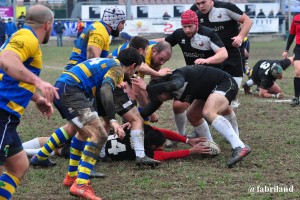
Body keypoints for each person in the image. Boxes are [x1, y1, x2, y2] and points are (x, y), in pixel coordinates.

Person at [56, 48, 142, 199]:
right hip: (71, 91)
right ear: (133, 65)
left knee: (82, 133)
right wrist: (114, 120)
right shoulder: (118, 70)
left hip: (64, 87)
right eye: (136, 70)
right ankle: (81, 184)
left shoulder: (111, 61)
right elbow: (105, 91)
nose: (134, 74)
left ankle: (72, 176)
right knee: (100, 134)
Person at [132, 65, 252, 168]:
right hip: (209, 92)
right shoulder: (166, 90)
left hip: (225, 83)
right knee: (193, 115)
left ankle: (239, 146)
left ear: (162, 90)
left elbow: (175, 84)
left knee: (208, 112)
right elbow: (151, 107)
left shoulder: (176, 76)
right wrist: (135, 120)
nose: (164, 101)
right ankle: (209, 146)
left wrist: (147, 87)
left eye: (161, 97)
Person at [0, 4, 58, 199]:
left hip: (7, 119)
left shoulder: (23, 37)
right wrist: (39, 81)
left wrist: (36, 98)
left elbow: (11, 74)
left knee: (19, 165)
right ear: (48, 25)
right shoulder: (27, 38)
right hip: (2, 113)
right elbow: (6, 60)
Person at [155, 9, 228, 146]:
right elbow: (163, 42)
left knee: (223, 110)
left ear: (196, 24)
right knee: (177, 106)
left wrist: (207, 61)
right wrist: (142, 42)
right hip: (193, 78)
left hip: (212, 79)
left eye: (190, 26)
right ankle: (180, 136)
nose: (187, 30)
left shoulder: (208, 34)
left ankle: (235, 140)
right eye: (184, 26)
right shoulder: (179, 34)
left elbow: (223, 54)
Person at [190, 0, 253, 111]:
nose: (200, 6)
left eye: (203, 2)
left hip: (233, 54)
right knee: (209, 92)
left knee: (230, 94)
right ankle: (211, 120)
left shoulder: (227, 7)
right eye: (198, 3)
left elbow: (247, 21)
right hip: (212, 57)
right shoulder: (194, 11)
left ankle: (227, 118)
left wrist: (240, 37)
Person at [105, 123, 212, 162]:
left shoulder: (143, 130)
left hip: (103, 139)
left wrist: (188, 140)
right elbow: (168, 155)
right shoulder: (145, 152)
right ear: (153, 146)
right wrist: (191, 151)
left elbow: (164, 132)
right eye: (161, 146)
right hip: (103, 155)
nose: (163, 147)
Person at [282, 14, 300, 106]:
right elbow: (292, 34)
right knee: (297, 72)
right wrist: (286, 50)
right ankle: (296, 97)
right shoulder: (296, 18)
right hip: (298, 48)